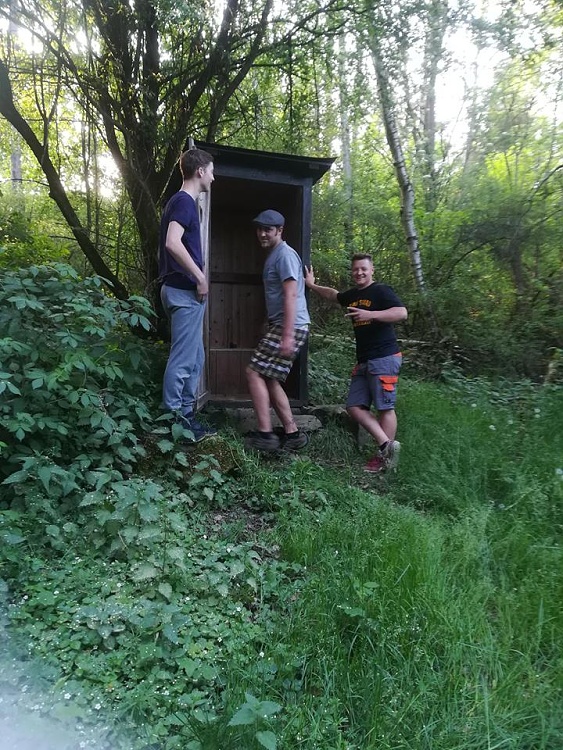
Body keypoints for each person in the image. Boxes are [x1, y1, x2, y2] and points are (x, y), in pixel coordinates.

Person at [305, 254, 407, 472]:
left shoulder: (381, 291)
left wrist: (371, 314)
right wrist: (312, 285)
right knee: (354, 406)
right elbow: (333, 295)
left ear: (372, 270)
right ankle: (386, 446)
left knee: (384, 407)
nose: (359, 272)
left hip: (384, 357)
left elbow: (401, 312)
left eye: (363, 269)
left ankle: (385, 461)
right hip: (364, 360)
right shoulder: (353, 295)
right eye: (355, 269)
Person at [158, 148, 217, 442]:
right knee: (183, 359)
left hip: (181, 292)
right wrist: (200, 277)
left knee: (195, 358)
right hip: (183, 291)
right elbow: (172, 242)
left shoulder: (181, 202)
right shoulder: (183, 201)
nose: (213, 178)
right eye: (212, 171)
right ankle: (173, 421)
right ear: (200, 171)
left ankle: (186, 418)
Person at [245, 209, 310, 452]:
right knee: (269, 376)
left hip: (290, 325)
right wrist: (268, 321)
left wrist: (287, 335)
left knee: (253, 372)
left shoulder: (284, 255)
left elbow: (291, 294)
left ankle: (266, 435)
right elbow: (276, 296)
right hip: (282, 324)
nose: (262, 234)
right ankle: (293, 434)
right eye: (259, 229)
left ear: (280, 230)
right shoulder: (274, 255)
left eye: (268, 230)